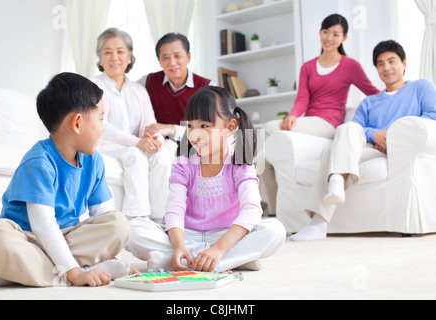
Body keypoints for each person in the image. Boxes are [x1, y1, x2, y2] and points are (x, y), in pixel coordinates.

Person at [0, 73, 133, 287]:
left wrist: (112, 258)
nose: (103, 127)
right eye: (101, 118)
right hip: (27, 238)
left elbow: (102, 213)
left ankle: (27, 271)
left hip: (67, 237)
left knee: (118, 224)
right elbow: (43, 226)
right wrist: (76, 274)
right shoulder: (39, 162)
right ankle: (75, 271)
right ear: (77, 123)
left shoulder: (94, 161)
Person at [126, 86, 286, 272]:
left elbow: (252, 210)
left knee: (275, 230)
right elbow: (174, 209)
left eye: (204, 126)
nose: (195, 135)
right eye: (191, 126)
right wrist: (178, 246)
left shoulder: (240, 162)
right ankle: (229, 260)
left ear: (230, 127)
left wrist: (218, 249)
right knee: (132, 229)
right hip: (187, 235)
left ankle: (194, 260)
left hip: (227, 237)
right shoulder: (183, 162)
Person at [291, 40, 436, 241]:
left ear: (404, 63)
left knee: (330, 153)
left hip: (402, 149)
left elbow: (432, 116)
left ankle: (321, 216)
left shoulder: (421, 87)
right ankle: (328, 200)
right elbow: (355, 128)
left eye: (391, 61)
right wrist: (374, 134)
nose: (386, 68)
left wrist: (393, 134)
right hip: (373, 148)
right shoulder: (369, 102)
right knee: (343, 132)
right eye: (380, 63)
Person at [258, 14, 380, 216]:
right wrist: (293, 115)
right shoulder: (307, 67)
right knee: (264, 157)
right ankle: (273, 211)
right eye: (326, 32)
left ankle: (264, 205)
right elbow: (302, 99)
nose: (329, 38)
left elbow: (373, 93)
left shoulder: (350, 65)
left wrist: (395, 102)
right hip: (309, 123)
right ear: (320, 33)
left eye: (335, 34)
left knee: (268, 128)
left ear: (344, 38)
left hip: (328, 124)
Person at [91, 28, 172, 222]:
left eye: (120, 51)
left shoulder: (138, 90)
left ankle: (162, 219)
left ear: (129, 57)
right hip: (106, 146)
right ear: (100, 59)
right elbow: (99, 124)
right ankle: (137, 218)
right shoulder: (93, 86)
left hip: (135, 144)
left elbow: (150, 124)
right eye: (107, 52)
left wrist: (156, 139)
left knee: (161, 155)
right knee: (135, 156)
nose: (114, 57)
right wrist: (136, 142)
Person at [138, 33, 213, 142]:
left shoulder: (208, 88)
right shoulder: (147, 82)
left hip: (195, 148)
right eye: (166, 58)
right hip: (158, 149)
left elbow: (210, 130)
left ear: (188, 57)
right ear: (159, 61)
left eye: (177, 56)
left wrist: (172, 129)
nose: (172, 63)